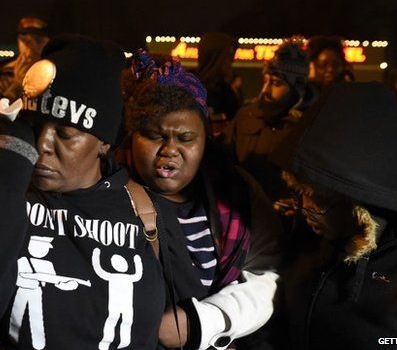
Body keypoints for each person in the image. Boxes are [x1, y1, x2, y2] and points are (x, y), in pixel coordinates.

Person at [0, 35, 204, 350]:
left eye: (65, 134)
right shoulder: (4, 192)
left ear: (104, 142)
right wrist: (9, 151)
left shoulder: (145, 210)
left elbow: (181, 324)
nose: (42, 146)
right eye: (34, 128)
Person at [121, 49, 282, 349]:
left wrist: (203, 321)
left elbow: (266, 272)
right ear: (131, 137)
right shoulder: (109, 194)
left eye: (185, 138)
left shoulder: (237, 193)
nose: (169, 150)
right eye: (155, 136)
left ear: (206, 140)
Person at [268, 82, 397, 349]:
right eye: (299, 192)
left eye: (320, 199)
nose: (305, 209)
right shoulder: (306, 238)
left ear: (361, 204)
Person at [224, 40, 314, 202]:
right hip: (247, 214)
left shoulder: (308, 124)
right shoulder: (246, 115)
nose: (265, 90)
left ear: (296, 88)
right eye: (265, 81)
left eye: (276, 83)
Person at [0, 15, 51, 99]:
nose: (30, 47)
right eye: (25, 40)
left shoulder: (54, 74)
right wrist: (18, 85)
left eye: (38, 40)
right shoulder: (1, 77)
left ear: (48, 42)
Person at [196, 32, 241, 125]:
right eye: (228, 56)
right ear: (215, 58)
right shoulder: (188, 89)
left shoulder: (226, 91)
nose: (232, 61)